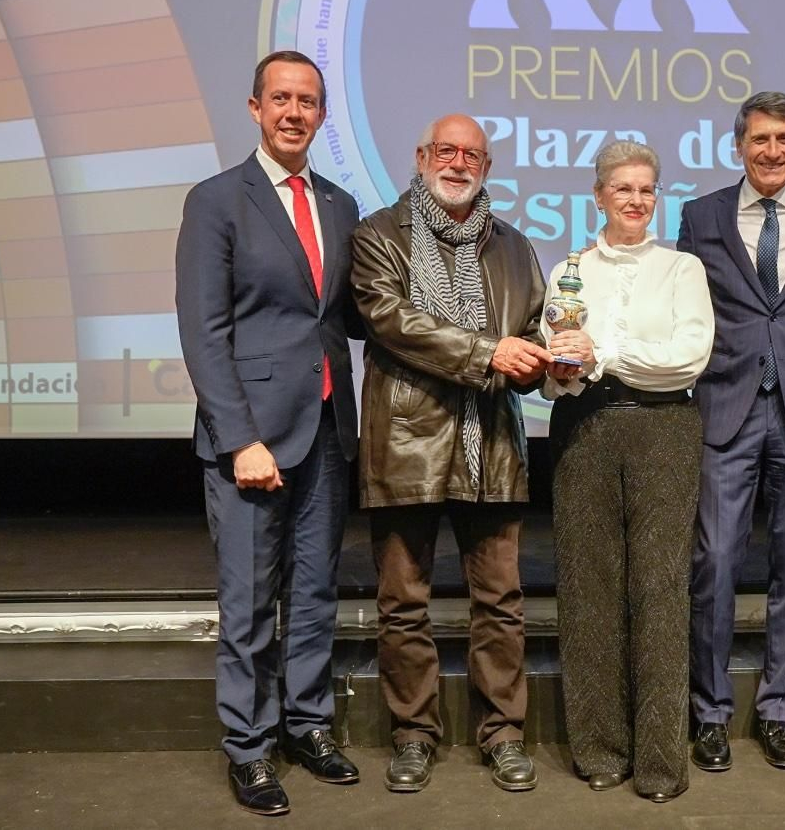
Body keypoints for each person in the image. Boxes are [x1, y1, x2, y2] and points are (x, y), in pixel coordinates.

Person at [175, 50, 362, 816]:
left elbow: (345, 316)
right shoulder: (218, 200)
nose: (294, 111)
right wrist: (237, 437)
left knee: (314, 592)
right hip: (251, 437)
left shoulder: (342, 205)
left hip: (326, 429)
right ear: (255, 108)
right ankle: (249, 748)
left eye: (308, 101)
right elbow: (203, 331)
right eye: (280, 98)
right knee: (250, 602)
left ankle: (308, 723)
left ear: (322, 115)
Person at [350, 113, 551, 793]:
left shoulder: (517, 247)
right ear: (421, 155)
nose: (459, 162)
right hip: (406, 442)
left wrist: (547, 364)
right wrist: (490, 352)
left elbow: (532, 330)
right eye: (447, 150)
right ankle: (413, 734)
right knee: (403, 602)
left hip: (491, 441)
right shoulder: (379, 235)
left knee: (500, 601)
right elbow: (391, 320)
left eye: (473, 154)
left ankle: (503, 732)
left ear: (487, 167)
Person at [677, 91, 785, 771]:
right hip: (725, 409)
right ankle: (711, 712)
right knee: (716, 564)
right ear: (739, 145)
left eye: (784, 138)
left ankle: (780, 709)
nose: (772, 150)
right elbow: (685, 309)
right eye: (760, 139)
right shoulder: (701, 215)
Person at [544, 141, 714, 803]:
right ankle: (599, 748)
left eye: (647, 189)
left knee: (660, 590)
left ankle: (661, 760)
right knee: (588, 590)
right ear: (599, 196)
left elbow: (687, 357)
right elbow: (559, 361)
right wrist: (561, 366)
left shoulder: (682, 269)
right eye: (623, 188)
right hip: (582, 428)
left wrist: (603, 354)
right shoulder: (569, 268)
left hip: (663, 430)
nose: (637, 199)